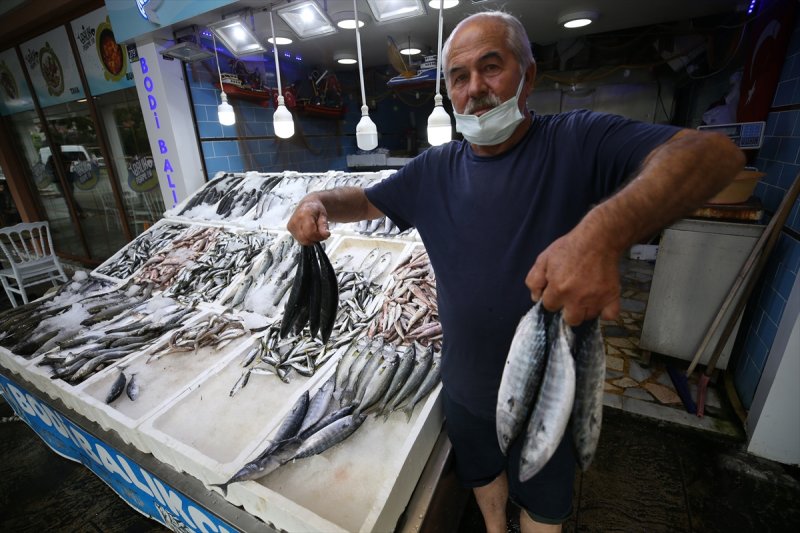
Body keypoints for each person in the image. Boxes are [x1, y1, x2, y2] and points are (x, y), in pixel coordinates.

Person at [287, 10, 744, 533]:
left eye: (491, 67)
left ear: (528, 77)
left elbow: (711, 154)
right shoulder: (434, 169)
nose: (475, 88)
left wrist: (604, 232)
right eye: (459, 77)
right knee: (483, 477)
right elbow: (365, 200)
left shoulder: (578, 141)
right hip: (464, 386)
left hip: (552, 392)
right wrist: (317, 200)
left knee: (543, 507)